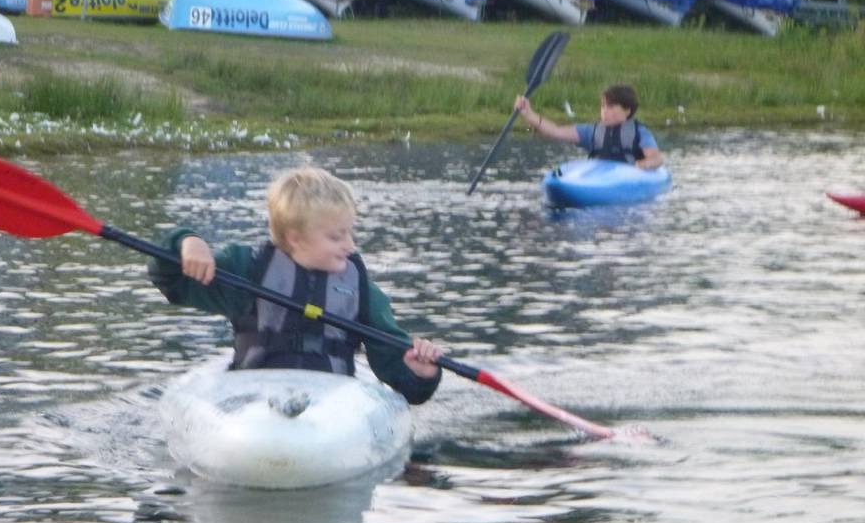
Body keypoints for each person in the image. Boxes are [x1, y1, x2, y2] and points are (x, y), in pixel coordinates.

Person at [148, 166, 443, 405]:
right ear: (295, 238)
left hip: (331, 406)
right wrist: (188, 242)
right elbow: (171, 281)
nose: (350, 245)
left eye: (349, 233)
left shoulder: (363, 291)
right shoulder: (247, 268)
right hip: (252, 401)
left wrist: (421, 374)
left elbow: (399, 374)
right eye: (336, 237)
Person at [514, 84, 664, 170]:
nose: (605, 111)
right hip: (598, 176)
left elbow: (656, 158)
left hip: (627, 176)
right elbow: (555, 131)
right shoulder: (590, 131)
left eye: (611, 107)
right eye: (603, 106)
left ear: (627, 110)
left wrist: (642, 165)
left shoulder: (640, 132)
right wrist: (528, 114)